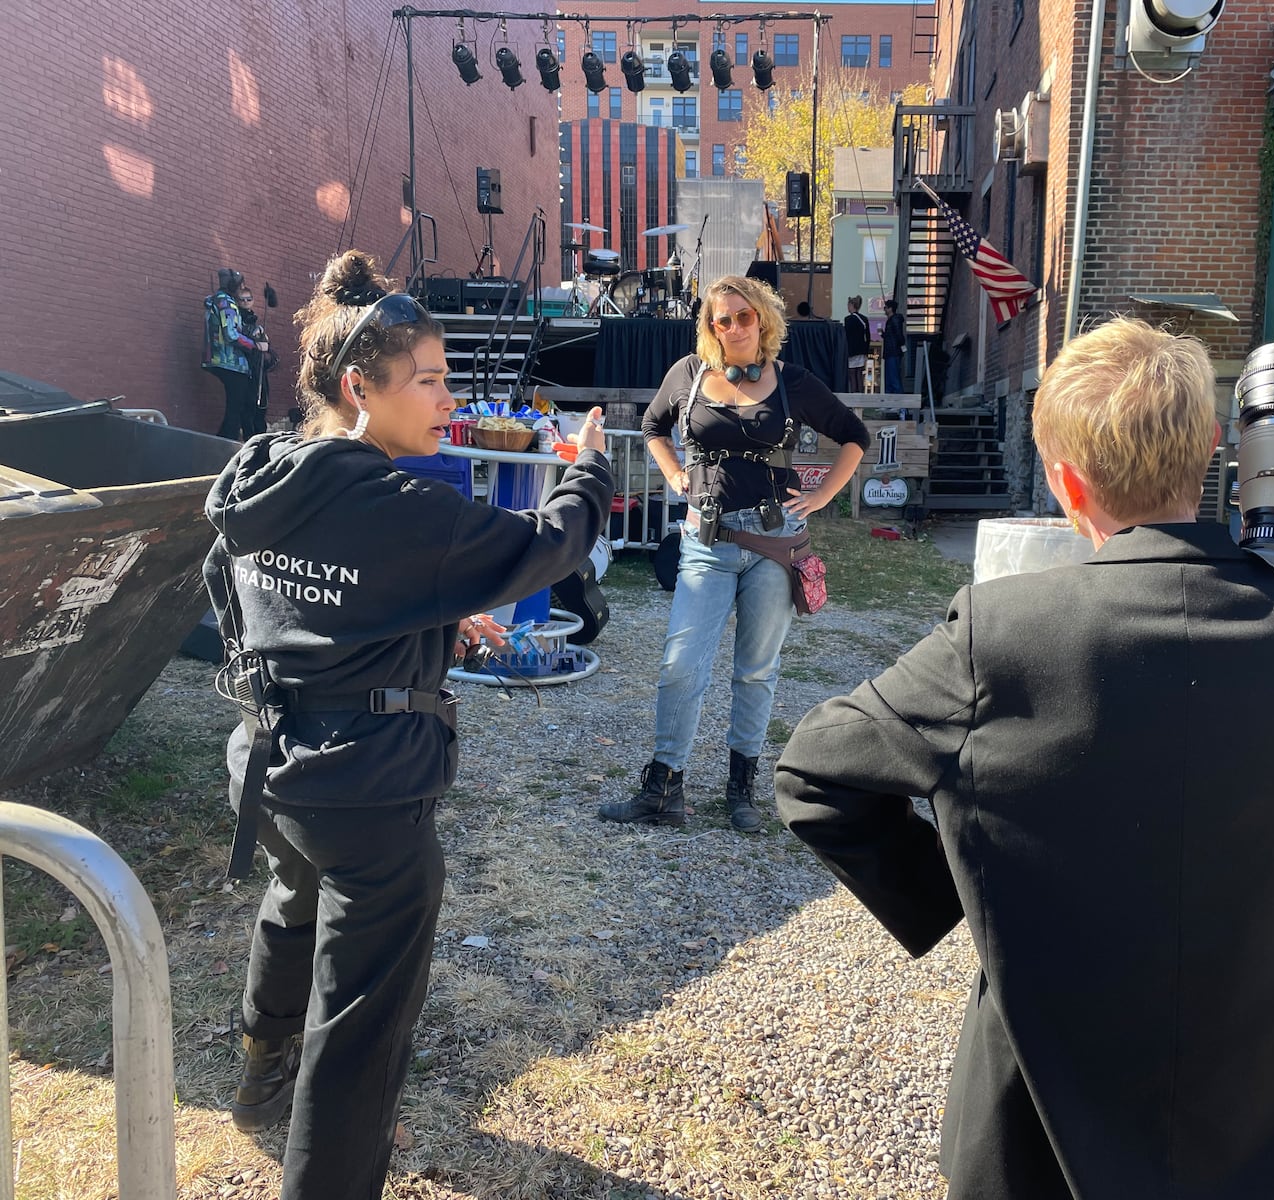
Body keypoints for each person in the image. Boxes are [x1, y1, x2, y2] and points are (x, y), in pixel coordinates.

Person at [775, 317, 1274, 1200]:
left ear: (1063, 481)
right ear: (1210, 451)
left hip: (1044, 1115)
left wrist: (963, 895)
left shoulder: (999, 633)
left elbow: (813, 771)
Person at [203, 249, 611, 1200]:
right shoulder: (401, 506)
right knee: (361, 1023)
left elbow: (266, 600)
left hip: (269, 763)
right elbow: (548, 546)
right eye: (428, 382)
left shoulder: (264, 469)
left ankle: (261, 1077)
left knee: (293, 902)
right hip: (369, 792)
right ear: (360, 387)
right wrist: (586, 470)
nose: (448, 403)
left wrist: (419, 620)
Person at [600, 275, 869, 832]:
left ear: (763, 320)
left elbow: (854, 434)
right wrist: (673, 472)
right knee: (681, 667)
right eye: (721, 319)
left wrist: (820, 497)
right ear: (710, 327)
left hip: (773, 545)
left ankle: (741, 790)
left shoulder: (792, 383)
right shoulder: (688, 376)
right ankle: (663, 789)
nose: (733, 327)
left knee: (755, 672)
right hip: (705, 542)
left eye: (743, 316)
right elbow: (653, 426)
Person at [205, 268, 266, 440]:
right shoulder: (227, 303)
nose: (242, 288)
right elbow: (231, 334)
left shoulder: (216, 301)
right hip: (230, 361)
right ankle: (225, 443)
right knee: (237, 407)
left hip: (220, 359)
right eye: (240, 284)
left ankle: (223, 441)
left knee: (236, 406)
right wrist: (254, 345)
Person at [237, 285, 277, 437]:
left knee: (261, 406)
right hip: (245, 368)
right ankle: (249, 438)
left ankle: (260, 437)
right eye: (243, 299)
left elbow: (266, 346)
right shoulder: (238, 319)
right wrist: (254, 343)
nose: (246, 302)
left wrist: (264, 343)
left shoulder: (256, 323)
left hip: (259, 368)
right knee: (248, 406)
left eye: (249, 299)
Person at [842, 294, 870, 392]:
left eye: (848, 305)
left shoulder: (848, 319)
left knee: (852, 374)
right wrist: (866, 351)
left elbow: (846, 336)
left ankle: (854, 396)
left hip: (851, 350)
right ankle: (861, 396)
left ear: (852, 305)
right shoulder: (864, 319)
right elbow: (868, 336)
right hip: (861, 350)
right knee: (859, 375)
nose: (847, 307)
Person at [881, 298, 906, 394]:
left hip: (893, 352)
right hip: (890, 352)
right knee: (889, 378)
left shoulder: (894, 320)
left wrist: (900, 345)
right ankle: (889, 401)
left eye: (885, 307)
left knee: (893, 377)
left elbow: (899, 336)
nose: (884, 310)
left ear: (890, 309)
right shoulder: (890, 321)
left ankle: (897, 401)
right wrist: (883, 334)